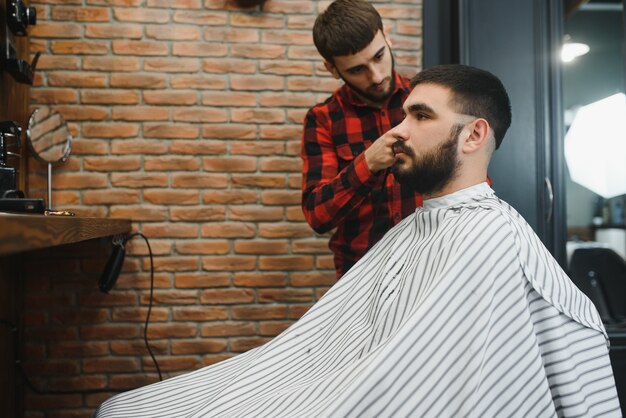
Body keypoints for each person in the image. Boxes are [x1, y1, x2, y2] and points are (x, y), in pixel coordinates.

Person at [94, 64, 621, 417]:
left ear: (475, 134)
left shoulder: (489, 237)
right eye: (403, 115)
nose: (397, 133)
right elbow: (319, 216)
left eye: (420, 117)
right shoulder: (423, 224)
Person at [301, 0, 421, 278]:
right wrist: (367, 163)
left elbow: (471, 183)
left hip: (432, 265)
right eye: (357, 69)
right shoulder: (323, 119)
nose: (376, 76)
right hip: (361, 276)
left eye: (379, 56)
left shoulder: (428, 98)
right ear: (332, 69)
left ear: (387, 37)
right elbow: (318, 215)